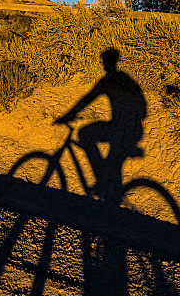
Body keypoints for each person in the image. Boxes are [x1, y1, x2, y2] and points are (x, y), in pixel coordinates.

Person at [54, 48, 147, 203]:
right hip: (135, 128)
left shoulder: (108, 81)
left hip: (121, 129)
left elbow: (87, 99)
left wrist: (68, 115)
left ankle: (104, 184)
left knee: (84, 133)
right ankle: (108, 187)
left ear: (106, 63)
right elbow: (142, 107)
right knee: (113, 163)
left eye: (104, 62)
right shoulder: (126, 78)